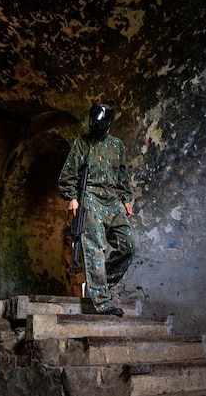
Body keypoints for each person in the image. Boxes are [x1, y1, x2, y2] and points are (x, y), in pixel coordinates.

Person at [58, 100, 134, 317]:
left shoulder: (117, 145)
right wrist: (72, 197)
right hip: (90, 196)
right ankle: (101, 302)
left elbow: (122, 175)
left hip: (112, 199)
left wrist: (126, 199)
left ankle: (98, 285)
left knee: (128, 246)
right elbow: (67, 174)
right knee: (95, 248)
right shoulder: (81, 143)